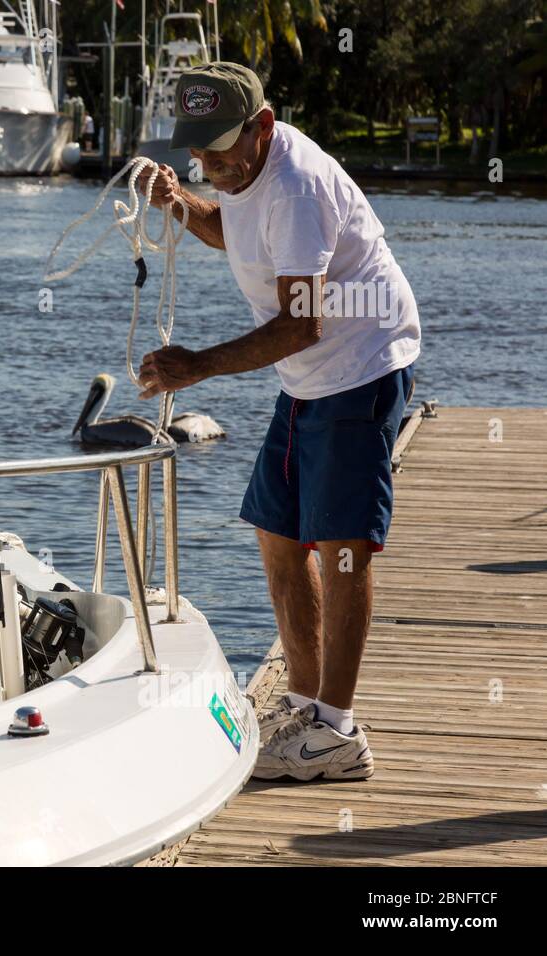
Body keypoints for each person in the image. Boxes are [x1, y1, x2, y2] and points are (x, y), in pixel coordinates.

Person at [135, 62, 421, 781]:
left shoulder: (295, 186)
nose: (210, 165)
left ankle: (338, 732)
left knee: (343, 548)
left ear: (263, 127)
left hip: (359, 366)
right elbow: (232, 231)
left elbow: (300, 323)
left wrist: (196, 365)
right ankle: (301, 703)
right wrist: (179, 202)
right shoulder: (239, 173)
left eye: (221, 150)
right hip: (307, 377)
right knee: (280, 535)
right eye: (196, 153)